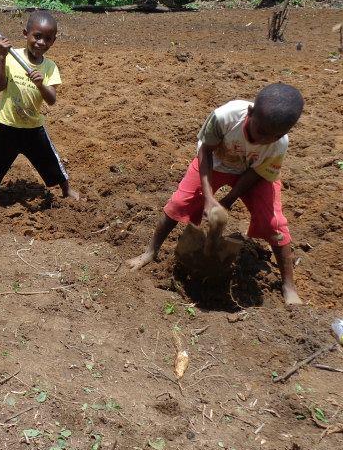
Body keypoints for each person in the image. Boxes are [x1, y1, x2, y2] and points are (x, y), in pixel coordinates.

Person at [126, 83, 305, 306]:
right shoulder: (225, 117)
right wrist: (209, 198)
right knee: (180, 202)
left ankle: (288, 284)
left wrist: (229, 200)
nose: (264, 140)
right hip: (216, 163)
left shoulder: (279, 143)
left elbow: (257, 173)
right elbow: (205, 151)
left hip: (252, 172)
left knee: (274, 223)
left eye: (274, 136)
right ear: (250, 113)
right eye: (261, 132)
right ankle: (150, 251)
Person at [0, 10, 79, 202]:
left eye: (47, 39)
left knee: (51, 160)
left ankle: (66, 190)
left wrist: (41, 85)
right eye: (37, 36)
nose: (41, 43)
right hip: (7, 124)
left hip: (33, 127)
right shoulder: (11, 56)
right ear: (26, 34)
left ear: (53, 41)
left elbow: (51, 100)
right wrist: (2, 56)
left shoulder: (50, 67)